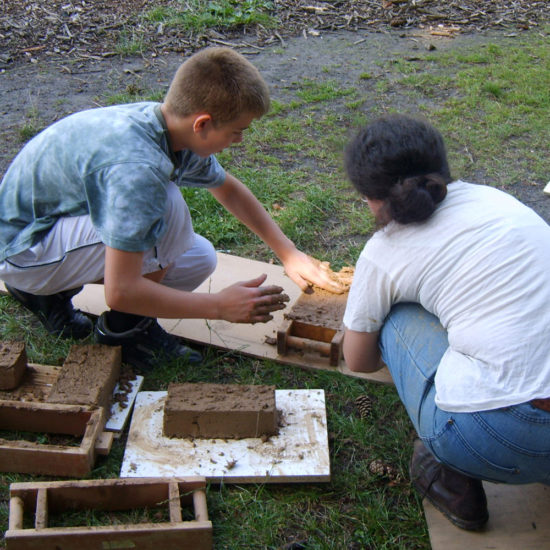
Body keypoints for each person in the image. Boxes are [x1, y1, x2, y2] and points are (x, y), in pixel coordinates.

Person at [0, 46, 343, 370]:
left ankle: (45, 295)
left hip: (54, 227)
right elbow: (120, 291)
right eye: (237, 131)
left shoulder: (170, 126)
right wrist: (220, 307)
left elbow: (228, 189)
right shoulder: (138, 168)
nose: (240, 140)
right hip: (25, 249)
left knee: (199, 258)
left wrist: (288, 252)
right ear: (203, 123)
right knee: (166, 205)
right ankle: (124, 331)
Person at [341, 114, 550, 531]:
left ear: (370, 197)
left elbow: (358, 359)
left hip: (506, 434)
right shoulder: (496, 200)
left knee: (394, 315)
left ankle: (451, 478)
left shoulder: (383, 251)